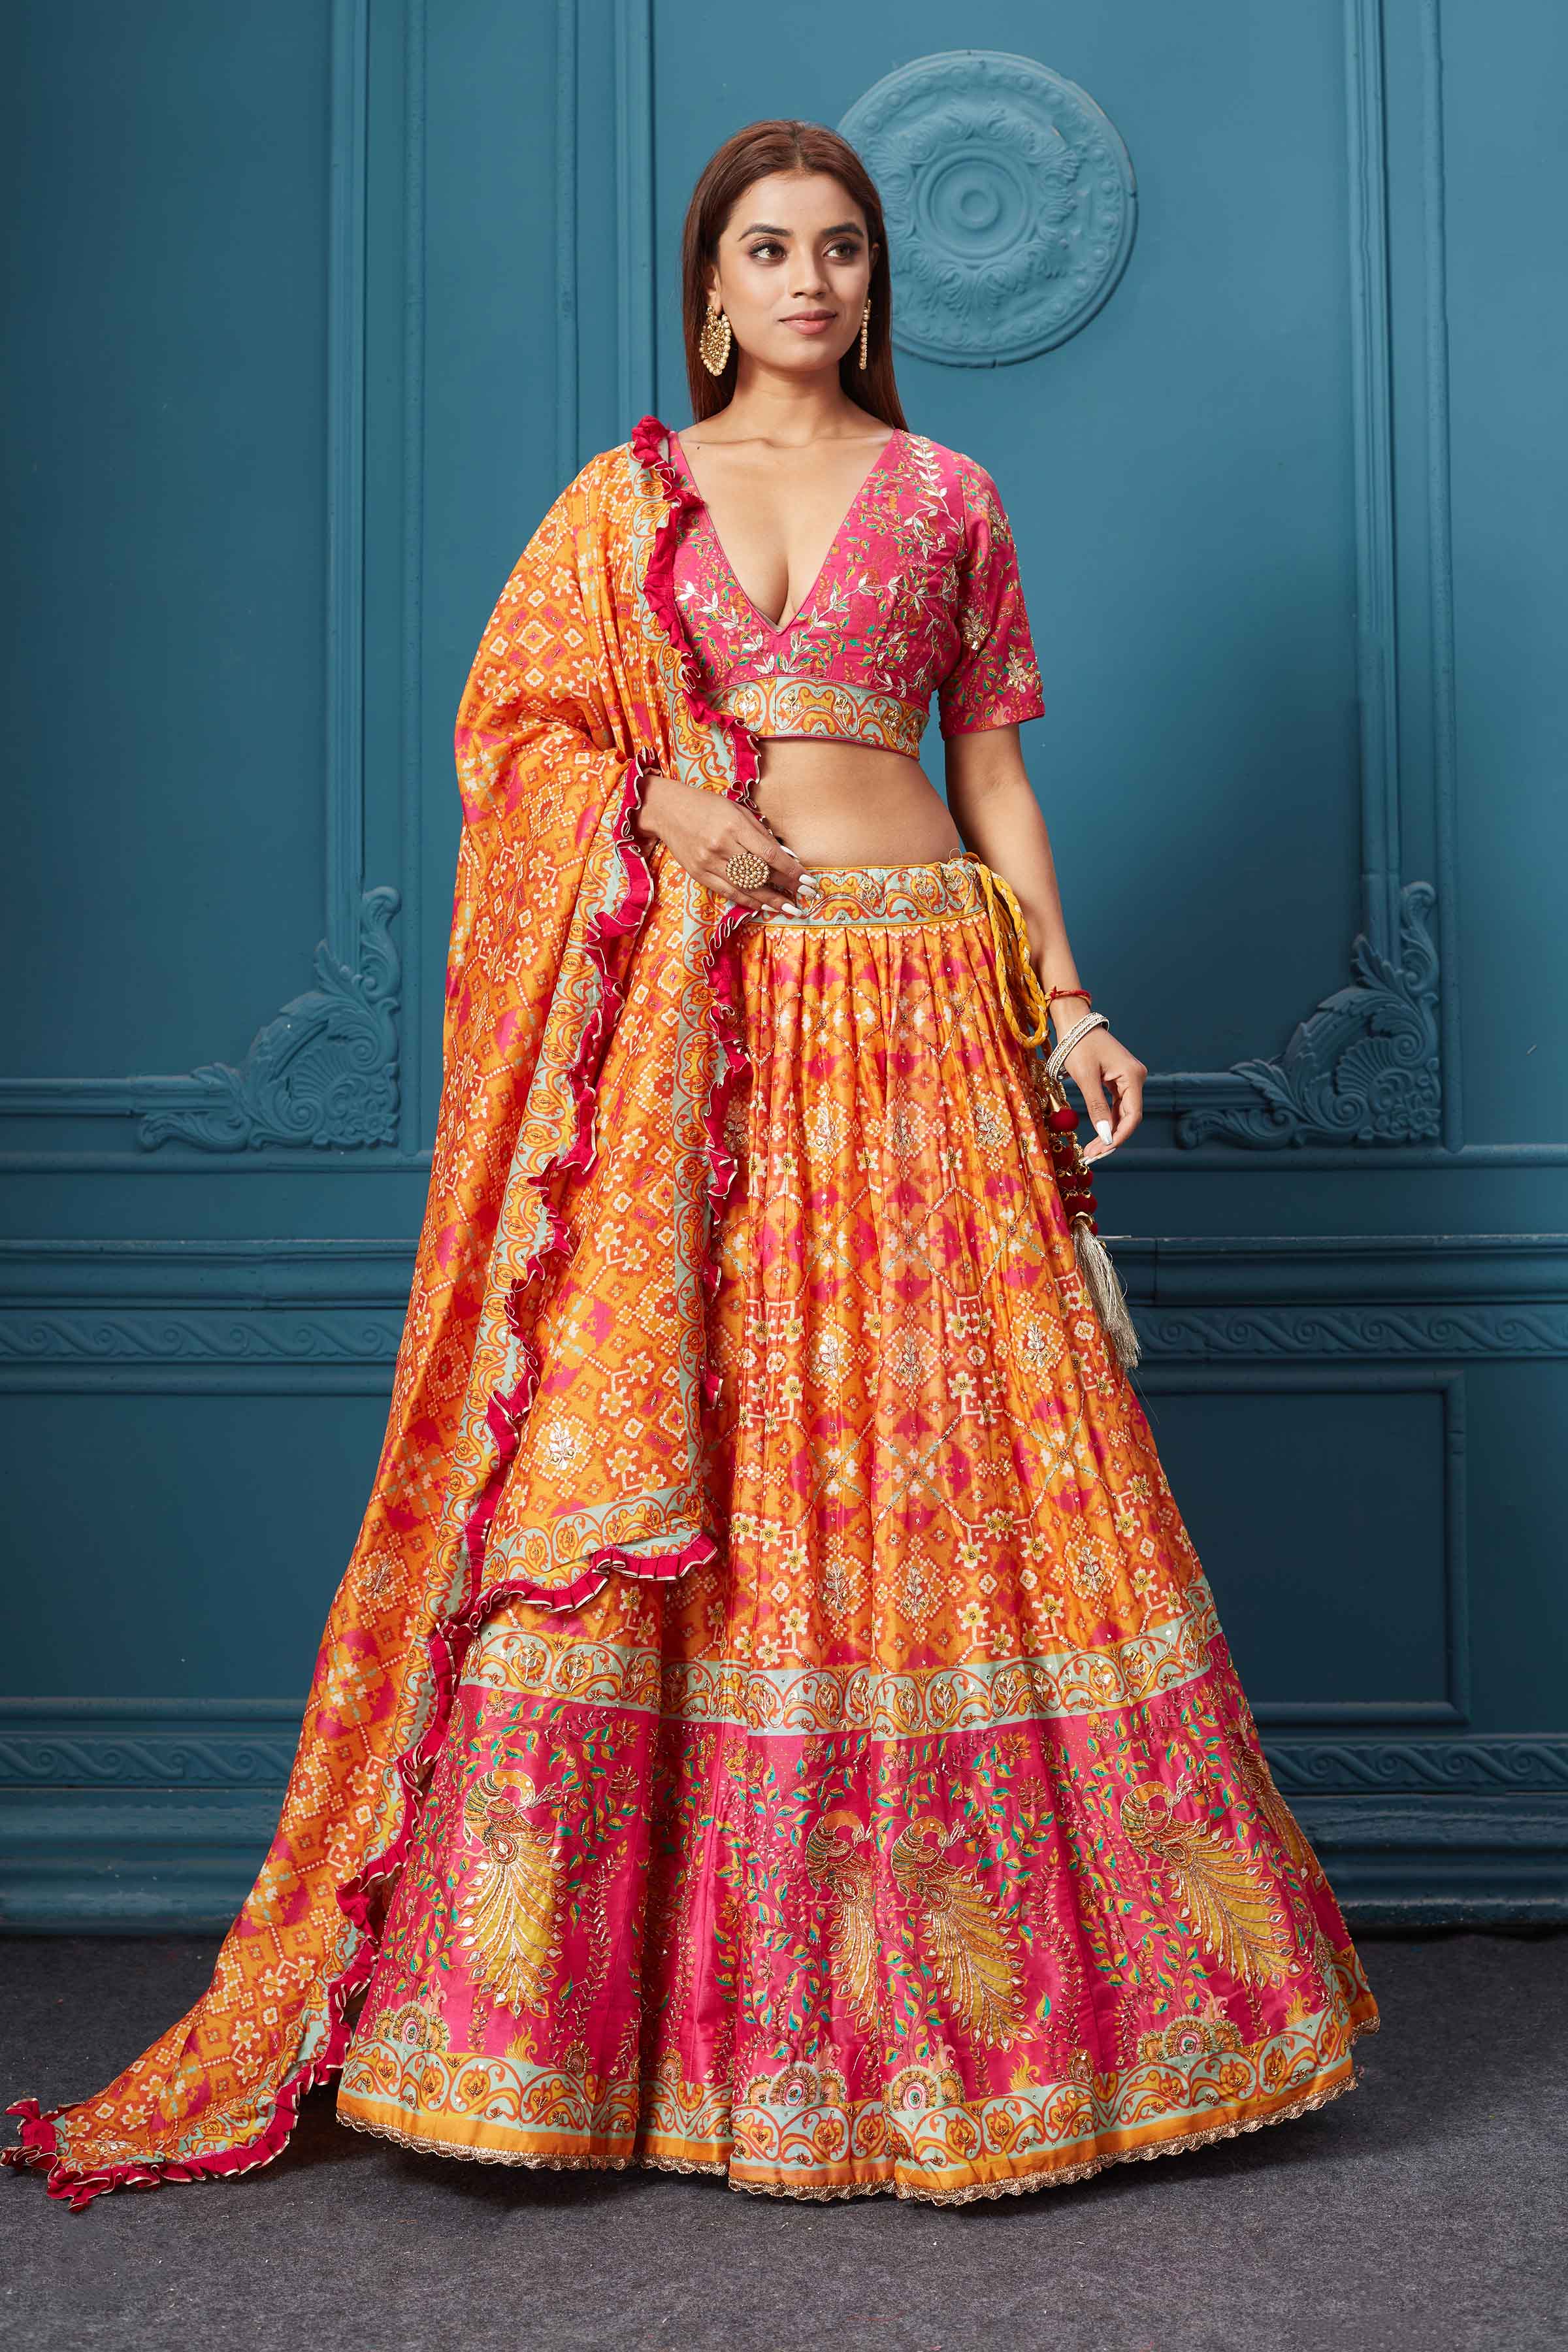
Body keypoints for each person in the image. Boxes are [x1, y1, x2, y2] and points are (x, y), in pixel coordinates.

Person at [4, 118, 1377, 2211]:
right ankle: (611, 2047)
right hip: (704, 1035)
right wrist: (653, 805)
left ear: (873, 284)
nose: (810, 280)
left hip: (919, 1001)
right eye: (770, 248)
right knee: (702, 1465)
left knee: (952, 1468)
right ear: (711, 287)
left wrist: (1073, 1002)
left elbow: (995, 771)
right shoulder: (620, 503)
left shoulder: (951, 496)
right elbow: (514, 739)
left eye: (842, 249)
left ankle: (1033, 2029)